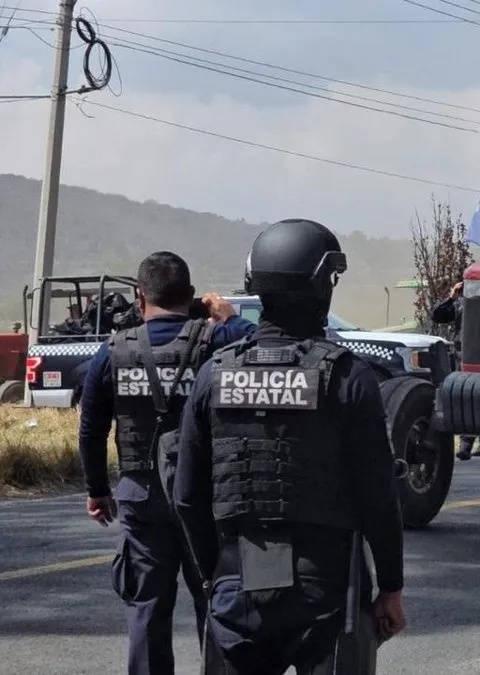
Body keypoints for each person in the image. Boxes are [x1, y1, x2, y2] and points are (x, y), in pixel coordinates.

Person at [173, 218, 407, 674]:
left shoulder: (214, 375)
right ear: (323, 287)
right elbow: (379, 497)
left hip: (235, 580)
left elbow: (187, 496)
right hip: (326, 587)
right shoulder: (347, 377)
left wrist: (213, 576)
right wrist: (392, 588)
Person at [78, 251, 256, 675]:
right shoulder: (215, 340)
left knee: (147, 608)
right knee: (216, 602)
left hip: (141, 496)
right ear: (191, 296)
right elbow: (261, 345)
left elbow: (91, 430)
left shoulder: (113, 351)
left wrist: (97, 490)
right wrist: (228, 317)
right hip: (205, 497)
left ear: (140, 298)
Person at [430, 280, 479, 460]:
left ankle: (475, 443)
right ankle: (466, 444)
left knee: (479, 398)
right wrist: (451, 298)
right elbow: (437, 315)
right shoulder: (461, 303)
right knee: (465, 398)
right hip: (464, 356)